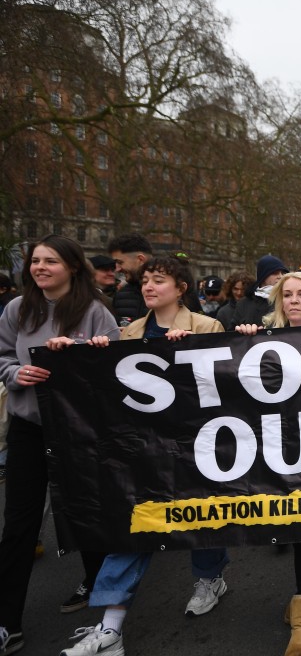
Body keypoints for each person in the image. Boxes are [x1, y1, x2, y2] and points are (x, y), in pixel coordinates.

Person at [61, 255, 228, 656]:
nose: (149, 288)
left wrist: (190, 352)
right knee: (137, 522)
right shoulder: (130, 330)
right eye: (145, 282)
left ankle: (209, 579)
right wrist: (94, 352)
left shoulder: (206, 326)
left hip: (196, 443)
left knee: (202, 513)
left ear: (181, 288)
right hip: (146, 447)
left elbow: (226, 384)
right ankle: (110, 627)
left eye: (159, 281)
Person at [0, 235, 119, 656]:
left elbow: (115, 372)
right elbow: (2, 358)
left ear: (71, 266)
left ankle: (105, 614)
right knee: (19, 524)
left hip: (77, 431)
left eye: (50, 261)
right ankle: (6, 622)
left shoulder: (96, 313)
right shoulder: (17, 308)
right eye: (35, 261)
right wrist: (16, 374)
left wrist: (86, 353)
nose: (40, 267)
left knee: (85, 515)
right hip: (29, 429)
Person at [236, 271, 301, 656]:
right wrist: (242, 340)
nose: (294, 301)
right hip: (278, 445)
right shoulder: (262, 337)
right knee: (289, 520)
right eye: (287, 295)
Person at [106, 233, 153, 327]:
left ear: (140, 259)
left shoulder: (171, 295)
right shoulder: (121, 295)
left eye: (120, 262)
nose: (117, 269)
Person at [231, 255, 288, 328]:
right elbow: (232, 333)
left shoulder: (286, 300)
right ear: (263, 276)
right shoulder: (243, 304)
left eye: (283, 273)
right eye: (275, 273)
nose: (280, 276)